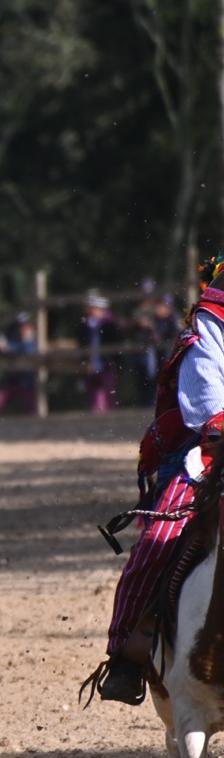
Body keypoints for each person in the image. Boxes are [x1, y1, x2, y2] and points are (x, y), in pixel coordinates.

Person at [90, 259, 224, 705]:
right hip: (212, 455)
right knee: (159, 539)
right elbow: (207, 400)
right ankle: (127, 654)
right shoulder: (210, 321)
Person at [76, 290, 121, 412]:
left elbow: (114, 342)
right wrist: (85, 361)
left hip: (106, 363)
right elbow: (82, 344)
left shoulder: (109, 324)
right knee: (93, 395)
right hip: (91, 363)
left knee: (108, 393)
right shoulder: (85, 325)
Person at [0, 312, 38, 416]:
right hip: (10, 378)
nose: (22, 328)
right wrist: (1, 346)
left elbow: (30, 352)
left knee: (31, 405)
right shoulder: (10, 336)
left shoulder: (32, 339)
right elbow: (1, 348)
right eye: (20, 325)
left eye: (24, 325)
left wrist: (26, 341)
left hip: (26, 380)